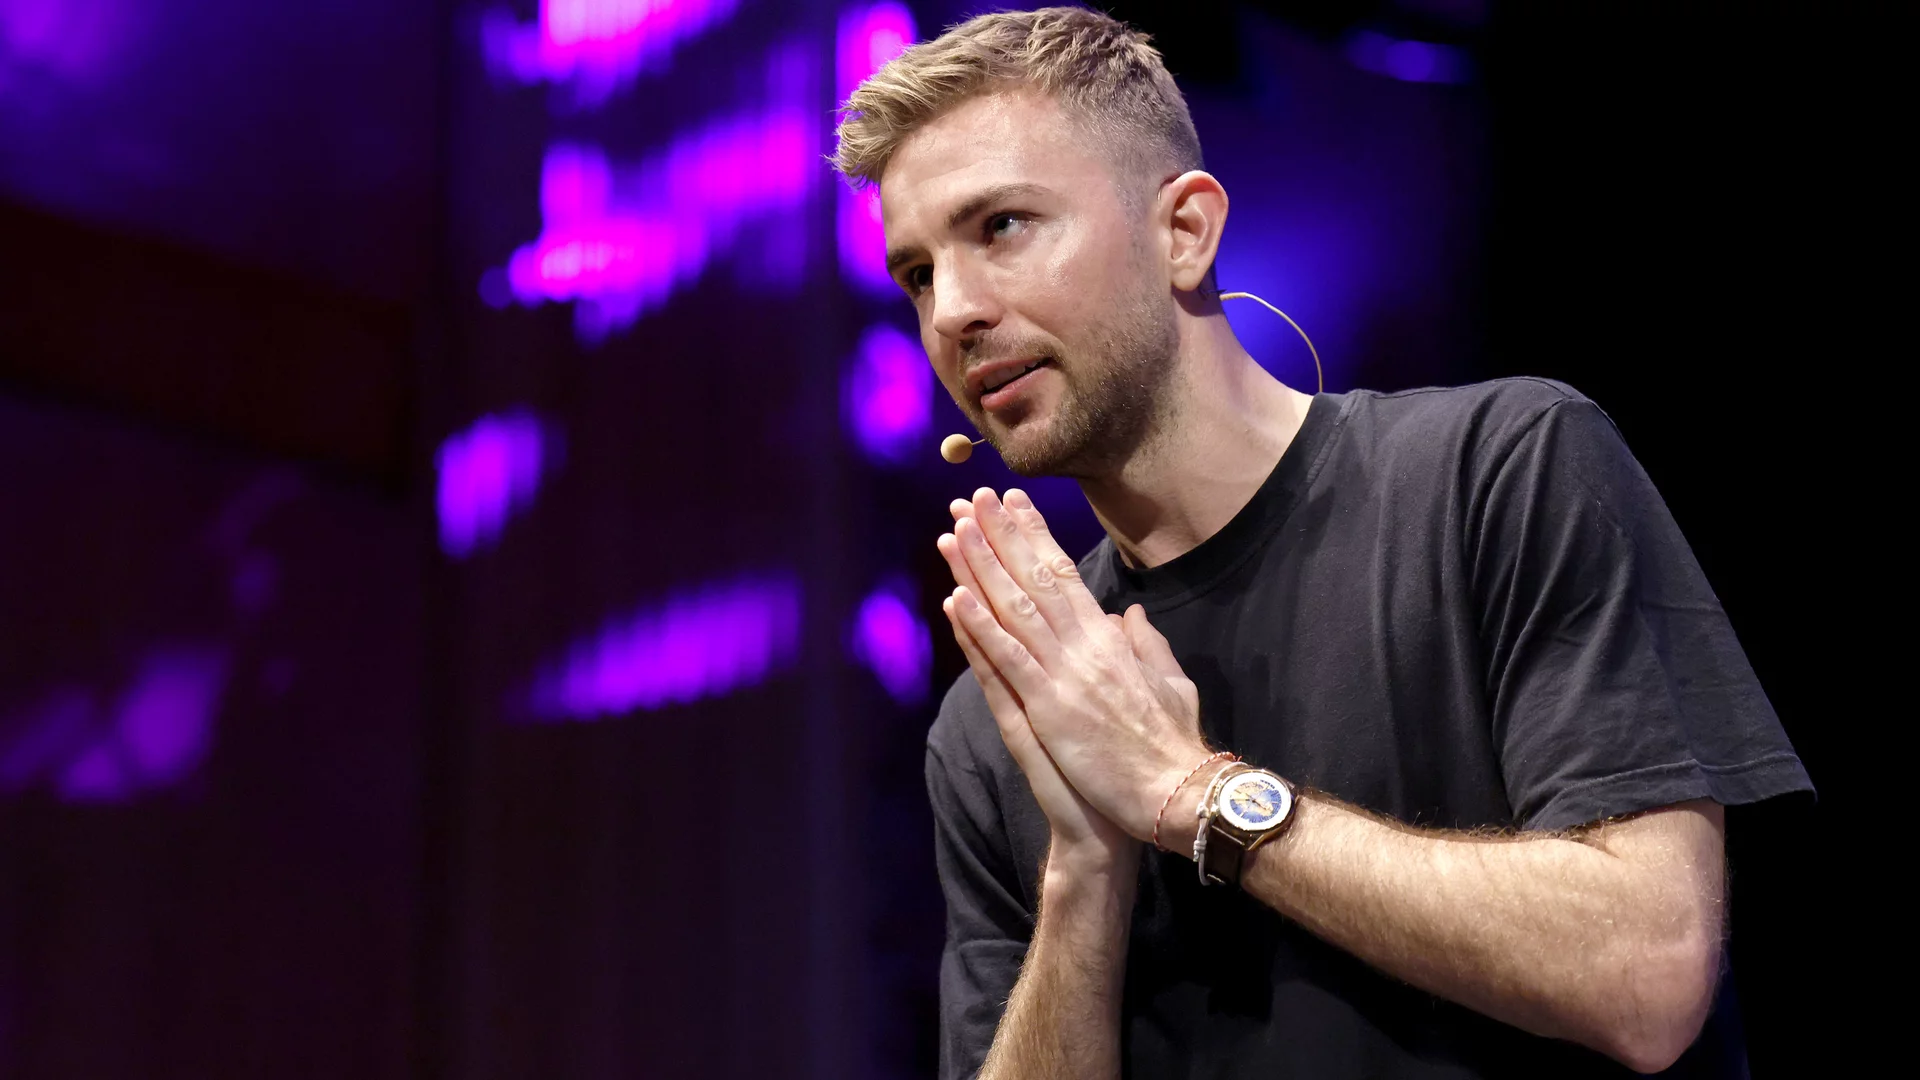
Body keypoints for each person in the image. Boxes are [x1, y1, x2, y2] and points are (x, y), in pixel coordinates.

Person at [831, 8, 1811, 1078]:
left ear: (1185, 231)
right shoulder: (998, 720)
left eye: (1004, 227)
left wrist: (1193, 791)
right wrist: (1083, 872)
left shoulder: (1499, 469)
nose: (955, 311)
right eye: (919, 275)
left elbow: (1647, 975)